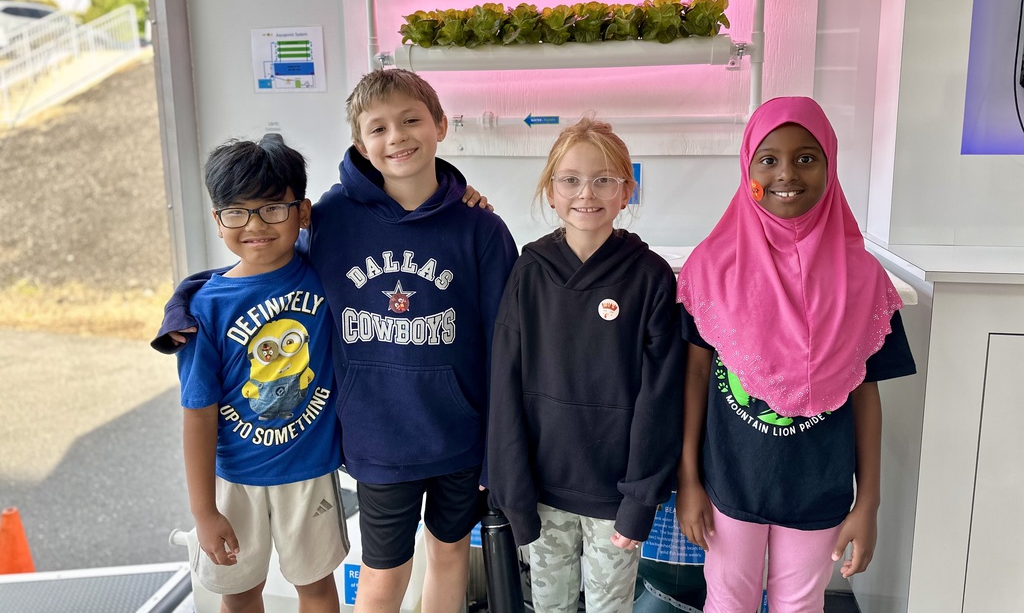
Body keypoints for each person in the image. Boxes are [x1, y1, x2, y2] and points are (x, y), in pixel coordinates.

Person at [155, 69, 518, 613]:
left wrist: (498, 450)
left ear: (441, 125)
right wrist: (184, 300)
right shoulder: (330, 218)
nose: (396, 136)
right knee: (383, 572)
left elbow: (504, 342)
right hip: (377, 440)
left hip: (459, 436)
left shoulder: (480, 228)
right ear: (359, 143)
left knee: (449, 558)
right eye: (379, 127)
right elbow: (254, 262)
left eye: (411, 120)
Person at [674, 96, 916, 613]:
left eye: (807, 157)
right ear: (748, 169)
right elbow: (694, 377)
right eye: (768, 159)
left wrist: (867, 502)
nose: (787, 173)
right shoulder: (711, 268)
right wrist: (688, 479)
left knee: (802, 605)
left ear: (830, 164)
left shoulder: (864, 280)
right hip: (730, 484)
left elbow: (866, 394)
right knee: (728, 600)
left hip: (819, 488)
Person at [487, 117, 685, 613]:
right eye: (570, 179)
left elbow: (660, 398)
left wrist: (639, 502)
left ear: (626, 191)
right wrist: (513, 490)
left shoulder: (651, 278)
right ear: (551, 190)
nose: (586, 193)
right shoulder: (528, 272)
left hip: (615, 496)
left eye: (604, 179)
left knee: (608, 607)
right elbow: (505, 386)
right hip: (543, 492)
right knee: (549, 605)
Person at [177, 134, 346, 613]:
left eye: (273, 208)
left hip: (308, 472)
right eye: (237, 212)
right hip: (234, 478)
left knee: (315, 586)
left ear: (303, 212)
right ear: (218, 220)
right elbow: (197, 413)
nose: (255, 225)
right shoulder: (203, 308)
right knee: (239, 590)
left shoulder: (324, 273)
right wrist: (204, 511)